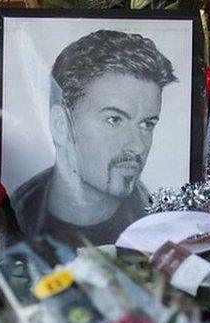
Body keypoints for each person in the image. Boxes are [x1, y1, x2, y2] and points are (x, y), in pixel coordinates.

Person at [10, 29, 177, 245]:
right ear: (61, 125)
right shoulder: (2, 225)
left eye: (147, 124)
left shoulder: (164, 237)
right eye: (114, 119)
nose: (137, 146)